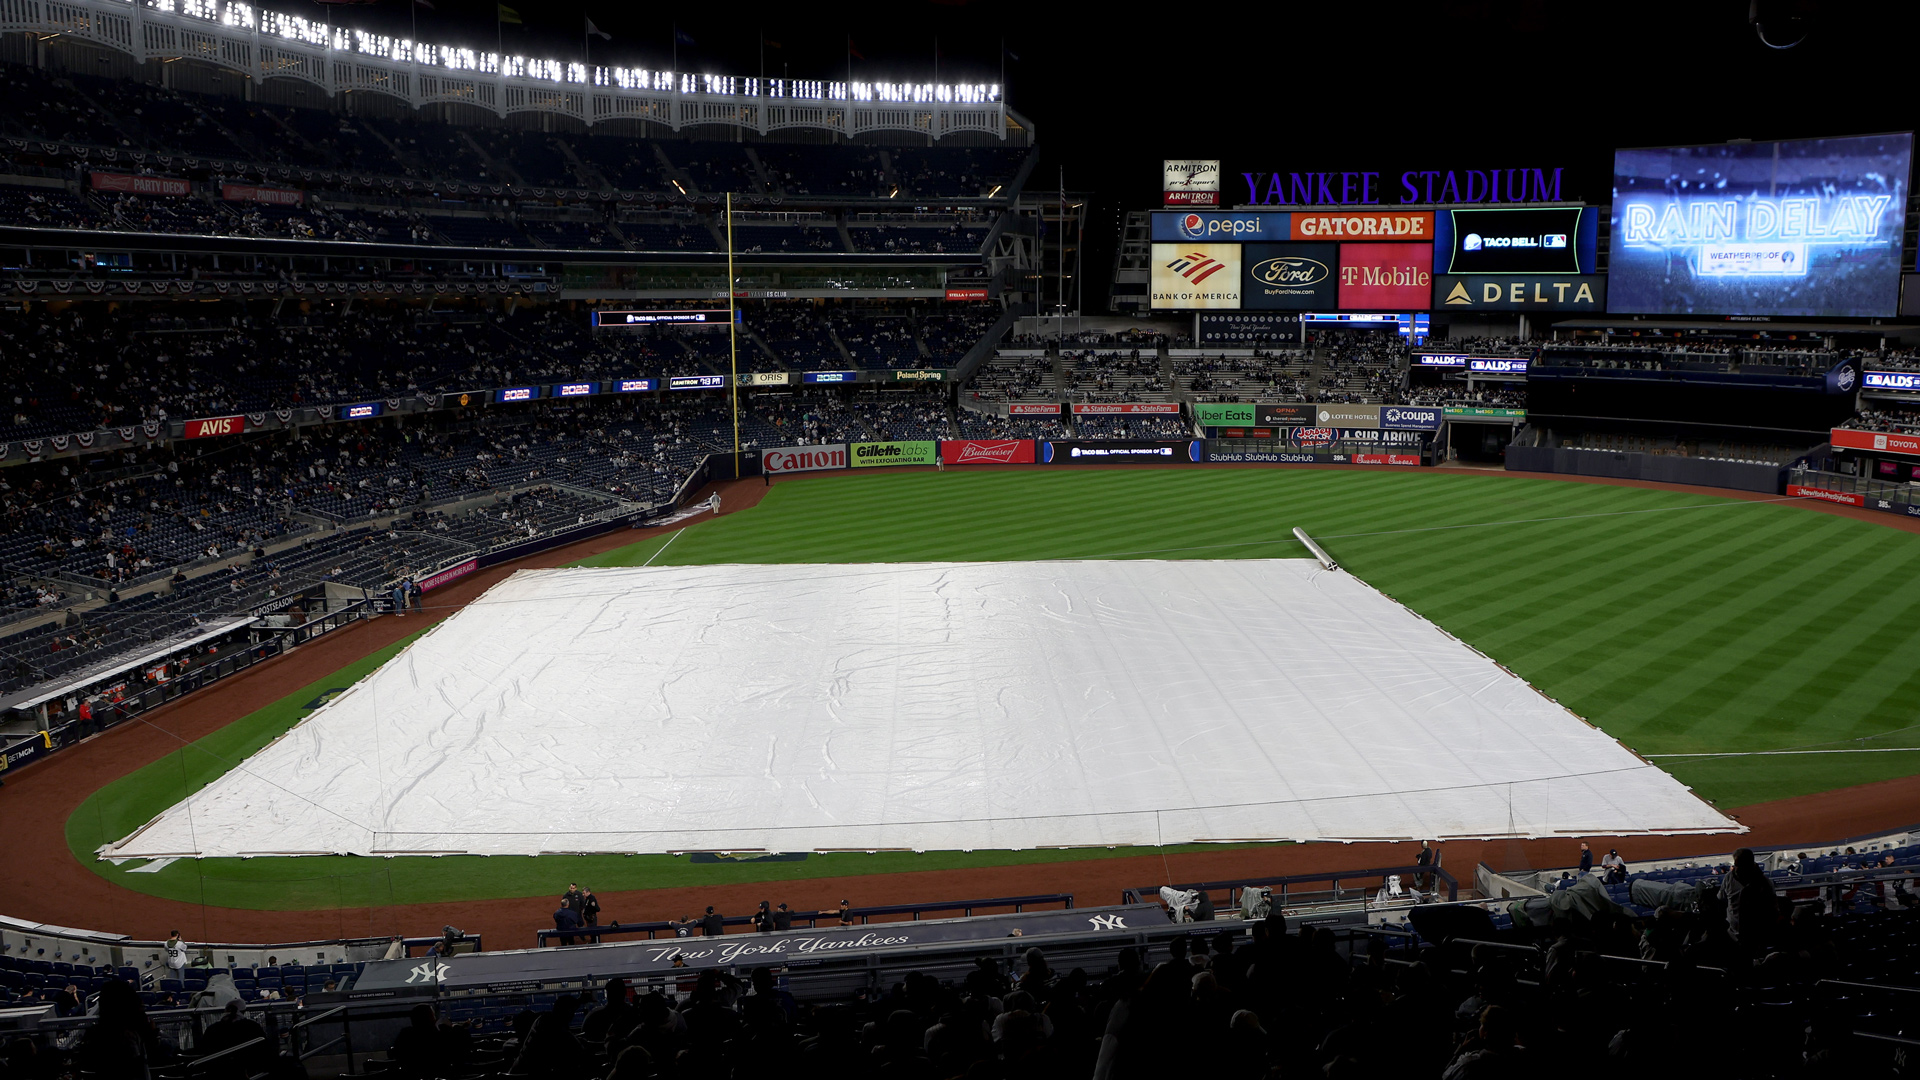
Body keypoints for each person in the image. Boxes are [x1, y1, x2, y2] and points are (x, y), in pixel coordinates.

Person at [1723, 846, 1778, 949]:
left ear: (1748, 865)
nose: (1736, 868)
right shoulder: (1729, 877)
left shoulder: (1764, 883)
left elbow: (1772, 910)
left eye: (1738, 865)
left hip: (1755, 937)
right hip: (1733, 936)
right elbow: (1721, 898)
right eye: (1735, 864)